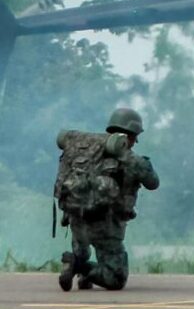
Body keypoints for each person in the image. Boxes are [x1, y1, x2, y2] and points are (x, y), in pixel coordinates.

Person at [57, 107, 159, 291]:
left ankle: (80, 269)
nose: (136, 141)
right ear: (129, 136)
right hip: (107, 224)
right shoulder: (130, 159)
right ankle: (79, 266)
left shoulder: (87, 152)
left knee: (83, 251)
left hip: (77, 217)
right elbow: (153, 182)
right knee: (116, 278)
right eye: (135, 136)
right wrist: (129, 157)